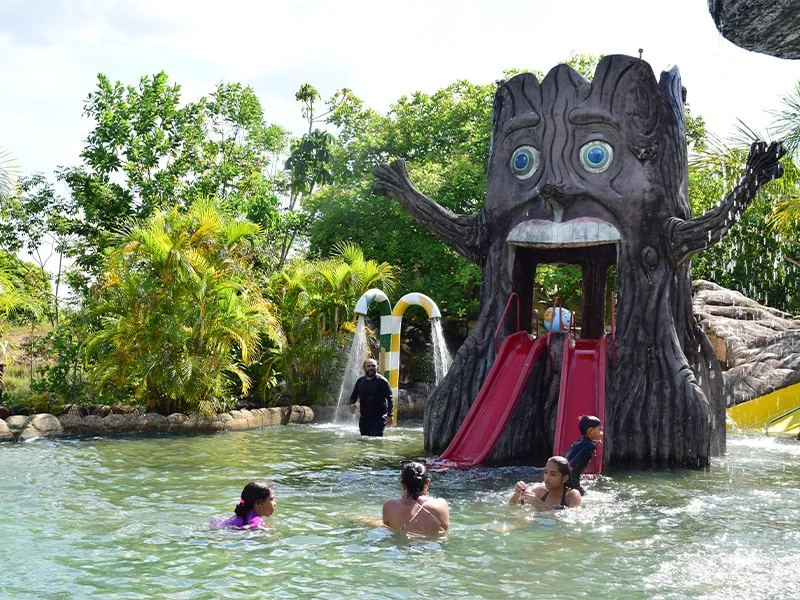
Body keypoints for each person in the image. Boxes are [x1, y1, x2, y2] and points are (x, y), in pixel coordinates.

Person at [383, 462, 449, 534]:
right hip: (433, 544)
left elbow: (387, 528)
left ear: (402, 485)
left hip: (404, 543)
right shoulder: (441, 504)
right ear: (427, 483)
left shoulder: (390, 506)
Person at [508, 456, 582, 509]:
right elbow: (512, 507)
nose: (547, 478)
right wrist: (517, 494)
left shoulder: (572, 495)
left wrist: (539, 504)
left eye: (553, 474)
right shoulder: (540, 491)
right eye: (546, 472)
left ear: (565, 478)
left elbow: (573, 519)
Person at [348, 358, 393, 436]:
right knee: (364, 441)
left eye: (373, 366)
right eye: (368, 366)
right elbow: (354, 395)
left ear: (377, 367)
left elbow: (390, 398)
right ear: (364, 368)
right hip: (364, 418)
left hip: (379, 418)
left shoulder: (382, 381)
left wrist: (390, 415)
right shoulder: (360, 381)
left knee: (375, 440)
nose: (371, 368)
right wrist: (351, 403)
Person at [564, 415, 603, 494]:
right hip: (571, 478)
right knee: (582, 496)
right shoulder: (590, 445)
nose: (602, 433)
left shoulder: (578, 442)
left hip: (565, 476)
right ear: (591, 430)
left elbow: (565, 457)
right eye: (599, 429)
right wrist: (569, 474)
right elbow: (576, 460)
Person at [212, 481, 276, 529]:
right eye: (272, 499)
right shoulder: (258, 522)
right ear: (260, 503)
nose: (274, 503)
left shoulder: (237, 516)